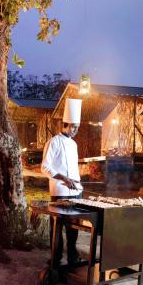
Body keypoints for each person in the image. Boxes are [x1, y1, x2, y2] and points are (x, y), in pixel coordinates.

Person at [41, 98, 83, 269]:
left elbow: (73, 168)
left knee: (74, 228)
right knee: (58, 228)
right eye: (73, 126)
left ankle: (73, 256)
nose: (75, 130)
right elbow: (45, 167)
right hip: (60, 191)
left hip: (76, 192)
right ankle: (55, 259)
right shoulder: (54, 142)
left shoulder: (73, 144)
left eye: (77, 127)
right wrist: (65, 179)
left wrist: (77, 183)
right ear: (65, 124)